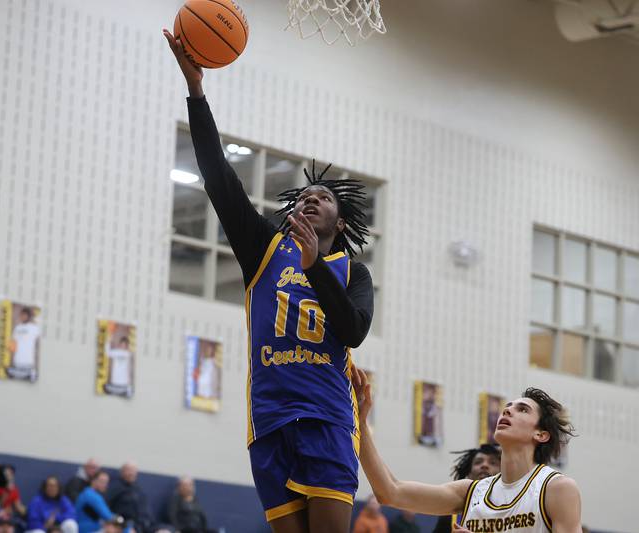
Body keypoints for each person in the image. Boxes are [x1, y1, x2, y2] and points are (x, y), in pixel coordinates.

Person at [163, 27, 374, 533]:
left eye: (322, 198)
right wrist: (197, 91)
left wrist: (313, 268)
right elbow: (218, 176)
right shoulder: (263, 251)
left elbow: (353, 332)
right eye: (304, 196)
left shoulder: (351, 271)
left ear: (339, 223)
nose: (309, 199)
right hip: (271, 421)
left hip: (326, 419)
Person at [351, 368, 582, 533]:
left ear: (540, 434)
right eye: (507, 408)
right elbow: (390, 492)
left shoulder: (557, 488)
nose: (507, 412)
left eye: (522, 410)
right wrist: (360, 424)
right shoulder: (471, 492)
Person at [432, 444, 501, 533]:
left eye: (492, 463)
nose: (484, 465)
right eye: (478, 462)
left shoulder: (514, 505)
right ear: (468, 472)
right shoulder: (451, 515)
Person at [107, 463, 152, 533]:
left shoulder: (139, 490)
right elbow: (107, 509)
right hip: (121, 524)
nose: (131, 473)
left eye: (133, 471)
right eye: (128, 470)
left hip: (139, 525)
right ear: (122, 472)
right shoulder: (115, 487)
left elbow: (145, 514)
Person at [8, 307, 40, 381]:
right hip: (17, 362)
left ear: (28, 316)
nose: (23, 317)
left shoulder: (34, 328)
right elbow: (12, 344)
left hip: (28, 362)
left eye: (25, 315)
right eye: (21, 315)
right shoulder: (17, 328)